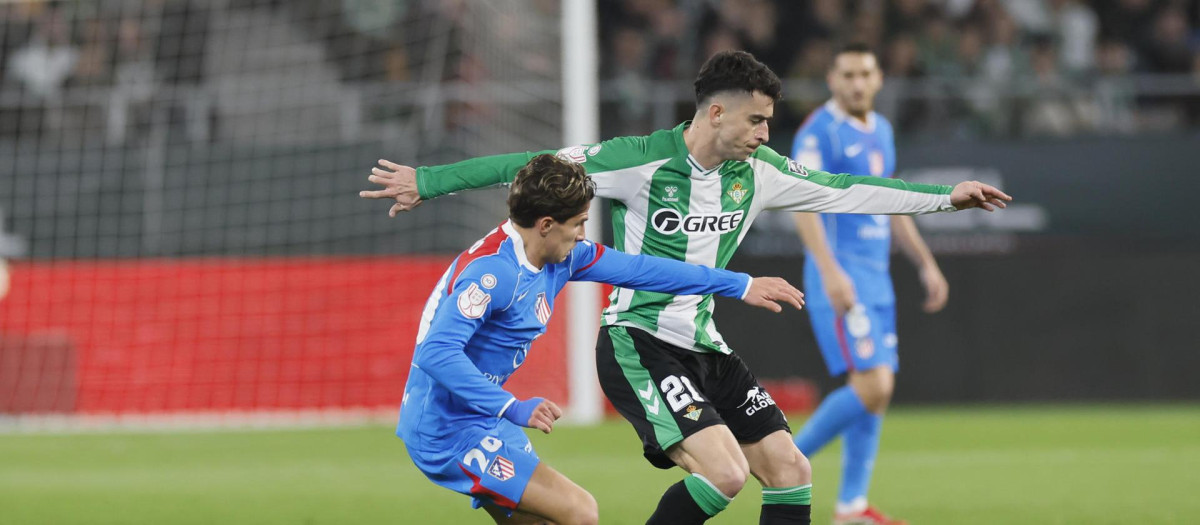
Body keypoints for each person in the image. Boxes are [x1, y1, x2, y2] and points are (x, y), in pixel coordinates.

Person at [365, 51, 1010, 525]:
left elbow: (846, 191)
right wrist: (429, 181)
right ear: (717, 111)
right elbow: (529, 166)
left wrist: (944, 199)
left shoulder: (759, 173)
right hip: (640, 340)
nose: (764, 135)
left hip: (704, 340)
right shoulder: (638, 161)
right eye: (757, 121)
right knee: (726, 473)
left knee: (791, 471)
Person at [398, 153, 806, 525]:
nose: (582, 234)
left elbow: (646, 270)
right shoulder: (494, 274)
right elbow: (436, 352)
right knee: (580, 512)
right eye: (577, 224)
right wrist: (511, 407)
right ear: (546, 225)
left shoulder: (562, 255)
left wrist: (737, 284)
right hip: (444, 428)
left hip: (481, 418)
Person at [789, 42, 934, 525]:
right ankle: (780, 459)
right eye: (847, 74)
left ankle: (851, 505)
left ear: (878, 80)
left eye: (864, 74)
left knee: (875, 390)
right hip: (842, 274)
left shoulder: (882, 131)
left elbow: (893, 200)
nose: (856, 83)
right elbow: (802, 203)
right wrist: (830, 271)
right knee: (874, 383)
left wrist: (924, 262)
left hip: (877, 279)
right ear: (832, 80)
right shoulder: (820, 132)